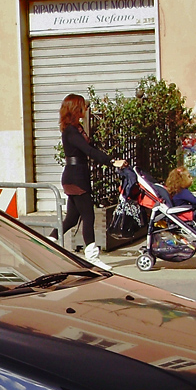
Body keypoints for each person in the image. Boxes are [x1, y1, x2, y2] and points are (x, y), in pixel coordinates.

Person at [58, 93, 126, 269]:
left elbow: (91, 148)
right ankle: (92, 257)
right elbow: (88, 150)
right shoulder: (71, 131)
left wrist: (110, 158)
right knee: (88, 215)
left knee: (72, 218)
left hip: (76, 175)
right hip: (76, 177)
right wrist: (112, 162)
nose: (86, 109)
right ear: (75, 109)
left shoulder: (75, 128)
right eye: (82, 106)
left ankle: (47, 241)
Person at [163, 167, 196, 234]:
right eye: (189, 176)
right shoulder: (182, 191)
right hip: (183, 214)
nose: (191, 178)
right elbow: (195, 201)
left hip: (177, 213)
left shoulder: (174, 191)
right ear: (182, 180)